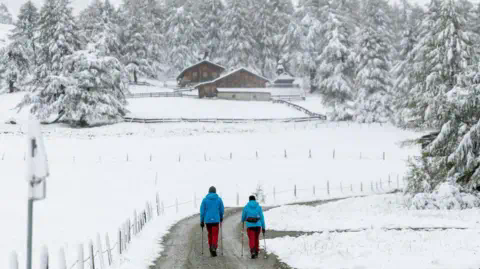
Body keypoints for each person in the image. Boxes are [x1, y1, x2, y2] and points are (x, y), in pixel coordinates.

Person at [200, 186, 224, 257]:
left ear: (209, 191)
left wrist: (202, 221)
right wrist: (221, 217)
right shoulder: (219, 199)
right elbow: (221, 210)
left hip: (208, 221)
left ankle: (211, 247)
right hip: (216, 220)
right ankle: (214, 247)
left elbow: (202, 212)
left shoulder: (205, 200)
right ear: (215, 191)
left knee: (210, 234)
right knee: (215, 234)